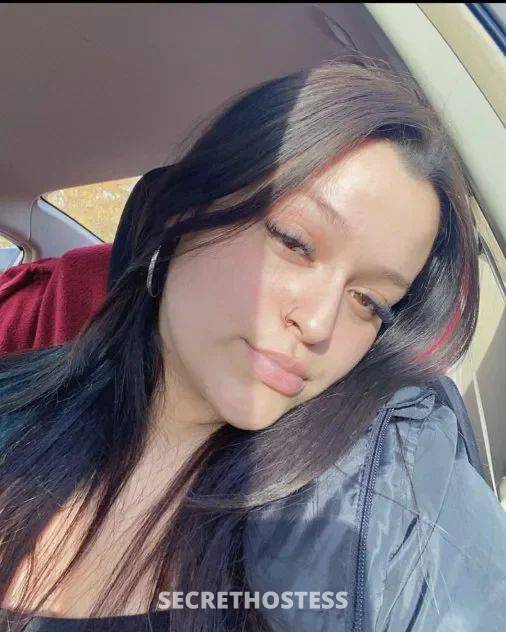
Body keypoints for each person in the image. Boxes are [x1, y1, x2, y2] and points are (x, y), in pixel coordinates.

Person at [0, 56, 505, 632]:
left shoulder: (372, 514)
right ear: (184, 213)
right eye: (294, 242)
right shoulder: (14, 404)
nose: (318, 324)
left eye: (370, 301)